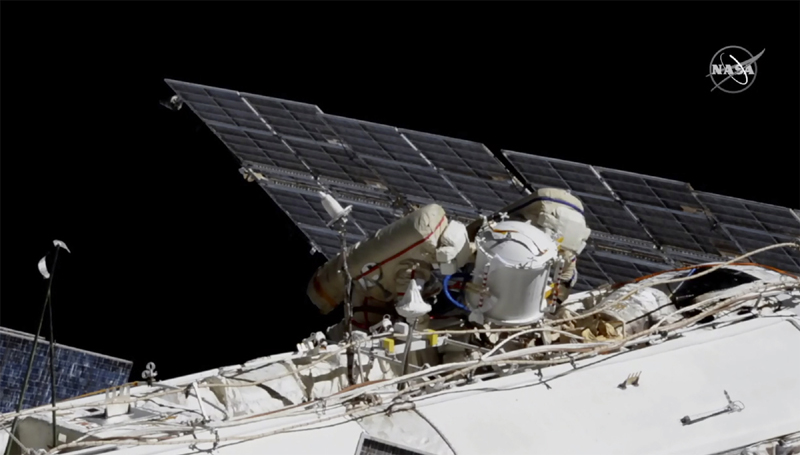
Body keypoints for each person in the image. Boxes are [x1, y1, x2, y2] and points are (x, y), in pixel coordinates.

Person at [502, 187, 591, 303]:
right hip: (555, 202)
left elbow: (569, 277)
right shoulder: (554, 255)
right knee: (500, 222)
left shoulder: (566, 257)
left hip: (573, 208)